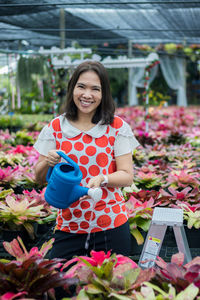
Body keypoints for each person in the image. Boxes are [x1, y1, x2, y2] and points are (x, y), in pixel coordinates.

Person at [33, 60, 140, 262]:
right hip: (69, 225)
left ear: (103, 94)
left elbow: (127, 176)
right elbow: (38, 178)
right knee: (61, 286)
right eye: (81, 86)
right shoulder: (55, 127)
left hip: (111, 224)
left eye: (95, 89)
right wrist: (48, 162)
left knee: (109, 288)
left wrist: (103, 178)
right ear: (72, 88)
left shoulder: (117, 127)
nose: (87, 94)